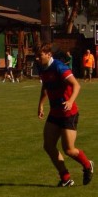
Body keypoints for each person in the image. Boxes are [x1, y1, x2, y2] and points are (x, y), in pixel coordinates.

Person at [36, 43, 94, 187]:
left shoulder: (59, 67)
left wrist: (70, 101)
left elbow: (76, 85)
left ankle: (88, 165)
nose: (37, 58)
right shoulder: (42, 67)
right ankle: (66, 178)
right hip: (55, 113)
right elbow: (45, 86)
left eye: (39, 55)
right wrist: (41, 104)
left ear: (49, 54)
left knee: (69, 149)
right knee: (48, 146)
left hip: (69, 113)